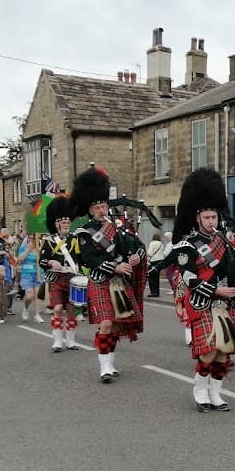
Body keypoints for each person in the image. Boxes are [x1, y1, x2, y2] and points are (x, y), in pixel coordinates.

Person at [159, 167, 235, 411]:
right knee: (208, 353)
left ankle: (216, 394)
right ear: (198, 218)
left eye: (214, 217)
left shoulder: (226, 243)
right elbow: (188, 278)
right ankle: (200, 391)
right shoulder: (187, 246)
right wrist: (216, 290)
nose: (212, 221)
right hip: (204, 301)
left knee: (223, 354)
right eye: (207, 218)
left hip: (226, 303)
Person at [71, 164, 146, 383]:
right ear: (90, 210)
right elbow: (88, 259)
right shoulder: (85, 233)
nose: (102, 210)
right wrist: (114, 266)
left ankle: (110, 361)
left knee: (114, 324)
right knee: (105, 323)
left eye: (104, 206)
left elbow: (137, 245)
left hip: (119, 282)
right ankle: (103, 366)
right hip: (100, 281)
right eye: (97, 208)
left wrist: (137, 256)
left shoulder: (119, 228)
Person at [39, 195, 81, 353]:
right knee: (57, 308)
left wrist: (81, 269)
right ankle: (57, 340)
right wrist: (50, 262)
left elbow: (81, 259)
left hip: (72, 278)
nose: (66, 225)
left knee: (71, 309)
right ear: (57, 224)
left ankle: (70, 340)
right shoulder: (49, 241)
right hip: (56, 279)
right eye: (63, 222)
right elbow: (41, 262)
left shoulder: (75, 240)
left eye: (67, 222)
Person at [17, 234, 44, 323]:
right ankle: (26, 308)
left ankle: (37, 315)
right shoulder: (24, 246)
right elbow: (20, 259)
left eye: (33, 237)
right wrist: (28, 249)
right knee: (29, 296)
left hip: (38, 273)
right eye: (30, 237)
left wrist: (40, 251)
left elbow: (43, 259)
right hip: (27, 274)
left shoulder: (40, 246)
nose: (32, 239)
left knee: (37, 295)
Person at [145, 232, 165, 297]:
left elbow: (150, 253)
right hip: (160, 261)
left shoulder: (152, 243)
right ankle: (157, 292)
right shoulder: (161, 244)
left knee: (151, 277)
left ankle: (153, 292)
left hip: (153, 261)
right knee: (156, 277)